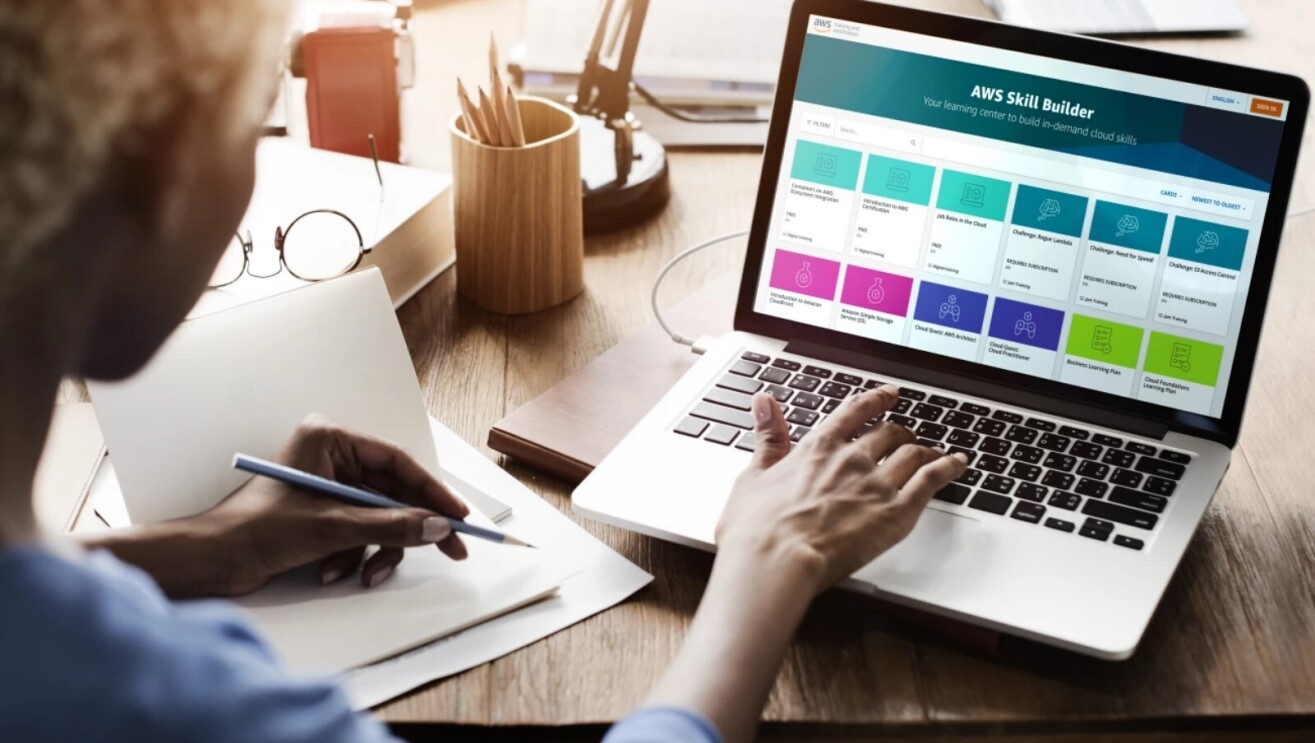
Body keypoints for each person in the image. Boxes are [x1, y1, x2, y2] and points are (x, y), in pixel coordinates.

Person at [0, 1, 966, 741]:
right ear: (158, 174)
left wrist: (209, 545)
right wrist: (766, 566)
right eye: (256, 120)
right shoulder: (194, 708)